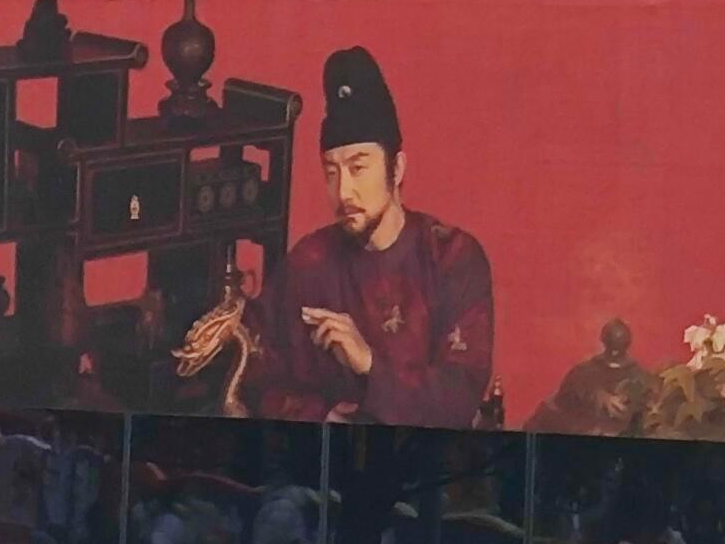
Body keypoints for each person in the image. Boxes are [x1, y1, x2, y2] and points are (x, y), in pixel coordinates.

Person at [183, 49, 497, 426]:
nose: (344, 191)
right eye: (331, 172)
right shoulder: (310, 262)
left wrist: (369, 364)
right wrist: (320, 415)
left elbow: (458, 398)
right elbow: (253, 370)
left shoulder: (450, 257)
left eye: (358, 168)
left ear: (396, 168)